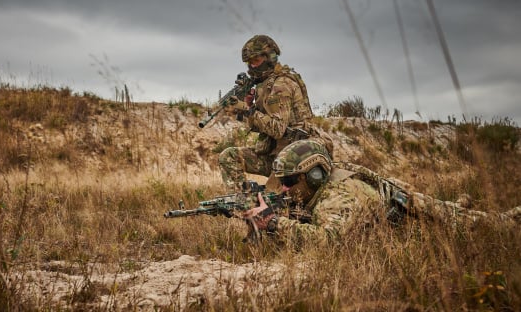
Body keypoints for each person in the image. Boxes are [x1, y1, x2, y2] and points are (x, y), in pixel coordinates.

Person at [243, 139, 521, 244]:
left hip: (407, 210)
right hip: (391, 195)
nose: (285, 188)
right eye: (282, 181)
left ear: (313, 176)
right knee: (451, 208)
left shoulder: (335, 197)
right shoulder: (323, 180)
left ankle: (510, 218)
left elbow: (327, 238)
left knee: (471, 222)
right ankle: (459, 203)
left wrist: (275, 222)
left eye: (290, 181)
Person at [219, 35, 333, 192]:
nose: (252, 66)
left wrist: (247, 110)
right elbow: (262, 127)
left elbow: (277, 129)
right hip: (277, 155)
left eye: (255, 61)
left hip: (296, 158)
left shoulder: (281, 84)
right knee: (229, 156)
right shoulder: (266, 85)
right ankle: (244, 202)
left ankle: (256, 207)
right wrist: (247, 108)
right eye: (249, 62)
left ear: (270, 57)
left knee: (273, 200)